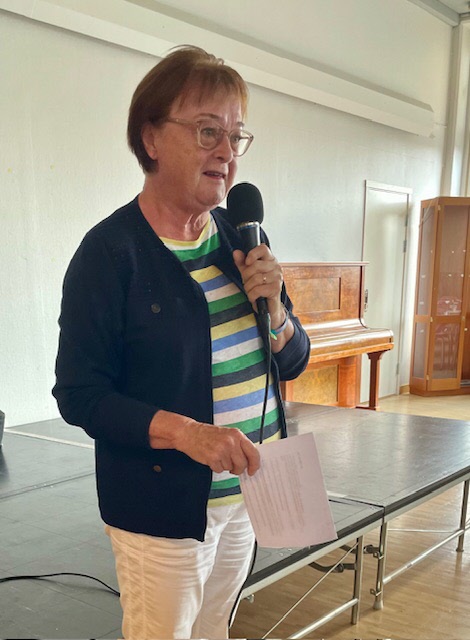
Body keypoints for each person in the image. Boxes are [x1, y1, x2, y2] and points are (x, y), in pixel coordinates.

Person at [53, 45, 310, 639]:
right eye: (206, 131)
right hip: (161, 508)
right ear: (150, 138)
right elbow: (80, 395)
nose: (225, 151)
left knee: (215, 630)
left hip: (247, 494)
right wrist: (188, 434)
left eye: (235, 136)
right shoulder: (110, 254)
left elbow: (294, 360)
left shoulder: (242, 238)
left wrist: (276, 312)